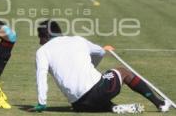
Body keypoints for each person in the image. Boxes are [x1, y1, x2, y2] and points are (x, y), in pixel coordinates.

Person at [29, 20, 171, 113]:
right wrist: (92, 66)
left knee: (96, 94)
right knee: (123, 72)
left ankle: (114, 107)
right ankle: (160, 103)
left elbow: (41, 77)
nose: (40, 42)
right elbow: (101, 52)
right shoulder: (77, 40)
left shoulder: (42, 52)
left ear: (46, 35)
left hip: (78, 105)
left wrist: (42, 103)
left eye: (39, 37)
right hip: (98, 92)